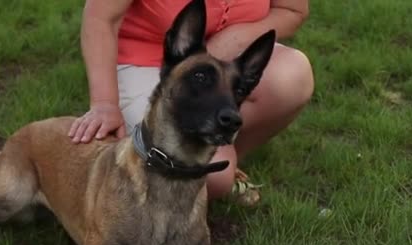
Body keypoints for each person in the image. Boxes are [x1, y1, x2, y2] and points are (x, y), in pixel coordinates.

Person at [68, 0, 314, 207]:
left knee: (292, 75)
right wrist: (104, 103)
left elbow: (292, 10)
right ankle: (209, 172)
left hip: (223, 64)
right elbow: (101, 18)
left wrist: (238, 37)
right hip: (147, 61)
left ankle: (229, 158)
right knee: (214, 178)